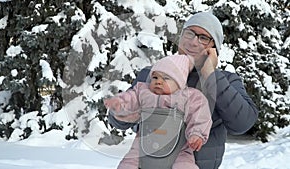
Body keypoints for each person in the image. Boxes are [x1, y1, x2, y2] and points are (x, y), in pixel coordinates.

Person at [108, 11, 259, 169]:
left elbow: (243, 123)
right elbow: (118, 121)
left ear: (214, 47)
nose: (193, 42)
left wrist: (210, 75)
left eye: (203, 38)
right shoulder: (152, 75)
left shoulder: (225, 80)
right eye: (189, 33)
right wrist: (119, 110)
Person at [104, 54, 212, 169]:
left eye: (166, 78)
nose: (158, 82)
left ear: (179, 83)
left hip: (178, 150)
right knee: (129, 163)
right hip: (142, 146)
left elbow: (200, 114)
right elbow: (130, 98)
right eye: (155, 77)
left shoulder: (187, 96)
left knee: (185, 164)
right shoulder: (143, 91)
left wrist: (197, 134)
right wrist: (119, 104)